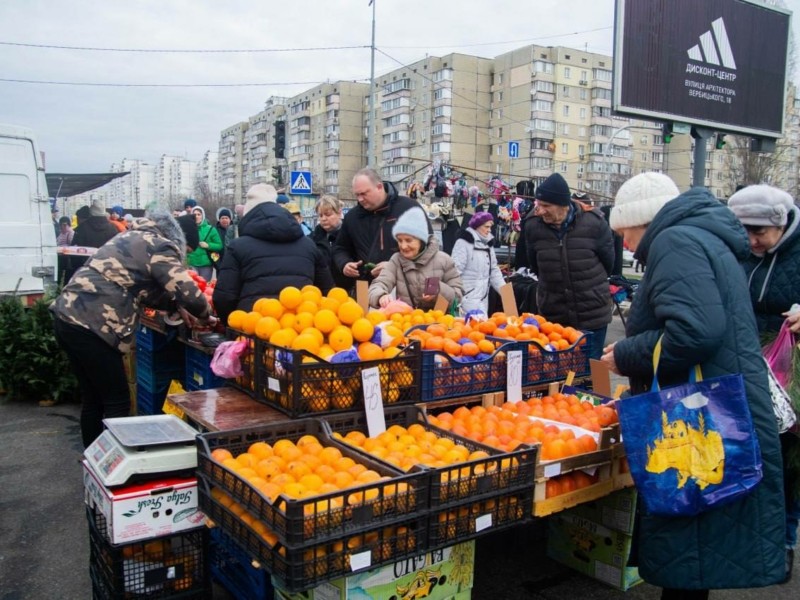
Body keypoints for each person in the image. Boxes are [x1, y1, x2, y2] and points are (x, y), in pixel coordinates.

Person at [600, 173, 786, 598]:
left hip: (699, 417)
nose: (624, 245)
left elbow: (695, 331)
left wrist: (627, 354)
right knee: (697, 552)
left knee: (691, 543)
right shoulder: (702, 237)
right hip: (722, 403)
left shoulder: (675, 243)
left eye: (623, 233)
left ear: (640, 220)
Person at [52, 207, 213, 447]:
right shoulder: (161, 246)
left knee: (93, 398)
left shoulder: (134, 236)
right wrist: (207, 315)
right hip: (94, 324)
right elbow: (189, 293)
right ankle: (116, 468)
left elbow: (139, 288)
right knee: (116, 400)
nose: (184, 258)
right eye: (186, 252)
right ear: (179, 241)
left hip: (68, 316)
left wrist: (173, 306)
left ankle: (93, 463)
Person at [727, 183, 800, 583]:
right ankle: (751, 537)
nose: (752, 240)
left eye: (759, 232)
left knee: (786, 461)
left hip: (791, 375)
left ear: (781, 224)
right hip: (747, 365)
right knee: (748, 453)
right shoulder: (742, 252)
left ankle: (784, 541)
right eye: (745, 232)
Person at [522, 172, 614, 359]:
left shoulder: (595, 223)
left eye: (546, 206)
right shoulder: (532, 225)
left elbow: (609, 263)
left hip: (591, 314)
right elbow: (535, 265)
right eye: (538, 205)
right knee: (556, 374)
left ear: (563, 205)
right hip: (554, 317)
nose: (540, 210)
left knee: (589, 374)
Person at [212, 191, 334, 324]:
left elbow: (224, 297)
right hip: (300, 326)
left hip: (252, 326)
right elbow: (327, 291)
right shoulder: (309, 245)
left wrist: (230, 323)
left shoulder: (238, 246)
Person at [332, 167, 426, 284]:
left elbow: (427, 250)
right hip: (365, 287)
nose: (360, 199)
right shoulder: (352, 217)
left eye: (364, 193)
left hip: (404, 287)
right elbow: (340, 248)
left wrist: (394, 267)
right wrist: (344, 263)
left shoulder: (409, 208)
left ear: (379, 187)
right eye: (357, 195)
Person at [368, 207, 463, 311]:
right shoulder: (396, 260)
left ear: (421, 240)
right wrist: (381, 296)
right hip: (407, 322)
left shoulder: (443, 260)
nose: (403, 246)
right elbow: (378, 284)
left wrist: (439, 291)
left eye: (409, 240)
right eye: (400, 240)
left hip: (439, 323)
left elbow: (457, 297)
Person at [451, 211, 505, 315]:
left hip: (483, 299)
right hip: (465, 299)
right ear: (477, 226)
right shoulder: (463, 243)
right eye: (486, 227)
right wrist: (456, 299)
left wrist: (505, 292)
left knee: (481, 329)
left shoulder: (488, 245)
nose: (489, 230)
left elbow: (494, 270)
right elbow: (454, 272)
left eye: (490, 227)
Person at [66, 200, 119, 283]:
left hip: (85, 272)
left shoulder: (82, 228)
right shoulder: (113, 229)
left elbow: (75, 252)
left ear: (91, 213)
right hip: (107, 271)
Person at [310, 194, 350, 290]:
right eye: (320, 215)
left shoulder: (351, 234)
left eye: (328, 215)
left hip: (347, 290)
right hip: (321, 292)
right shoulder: (312, 239)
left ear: (339, 213)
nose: (323, 219)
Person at [186, 206, 223, 281]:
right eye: (194, 214)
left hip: (206, 265)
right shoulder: (187, 228)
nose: (196, 216)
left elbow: (219, 245)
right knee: (193, 288)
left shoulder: (211, 229)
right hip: (191, 263)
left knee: (205, 288)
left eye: (199, 214)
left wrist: (208, 245)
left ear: (203, 216)